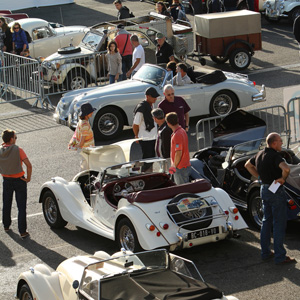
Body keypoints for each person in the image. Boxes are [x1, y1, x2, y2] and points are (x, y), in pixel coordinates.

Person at [245, 132, 296, 265]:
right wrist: (282, 179)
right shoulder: (275, 156)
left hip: (264, 189)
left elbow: (247, 165)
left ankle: (265, 252)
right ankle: (280, 256)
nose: (281, 143)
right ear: (274, 143)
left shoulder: (260, 154)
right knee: (279, 223)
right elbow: (286, 169)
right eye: (280, 141)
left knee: (266, 221)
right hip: (276, 190)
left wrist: (259, 177)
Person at [0, 129, 32, 239]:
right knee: (21, 206)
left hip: (6, 180)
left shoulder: (0, 150)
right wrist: (28, 178)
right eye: (15, 137)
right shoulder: (18, 150)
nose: (16, 139)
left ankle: (6, 225)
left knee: (6, 203)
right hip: (19, 180)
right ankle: (22, 231)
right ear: (11, 139)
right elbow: (29, 165)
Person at [133, 87, 159, 166]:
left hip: (153, 137)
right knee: (147, 160)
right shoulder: (141, 108)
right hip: (145, 139)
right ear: (147, 96)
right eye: (153, 96)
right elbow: (135, 124)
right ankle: (146, 174)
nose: (155, 98)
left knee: (151, 159)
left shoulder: (151, 105)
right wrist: (136, 136)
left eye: (156, 96)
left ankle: (149, 173)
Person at [68, 103, 96, 170]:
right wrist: (78, 146)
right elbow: (82, 140)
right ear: (87, 114)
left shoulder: (81, 121)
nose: (92, 112)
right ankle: (82, 179)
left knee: (85, 164)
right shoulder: (85, 125)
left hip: (84, 149)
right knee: (85, 167)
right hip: (86, 149)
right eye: (90, 112)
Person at [166, 112, 191, 185]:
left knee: (182, 190)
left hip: (180, 168)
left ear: (168, 123)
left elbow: (178, 152)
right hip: (184, 165)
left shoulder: (177, 135)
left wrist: (174, 166)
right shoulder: (182, 131)